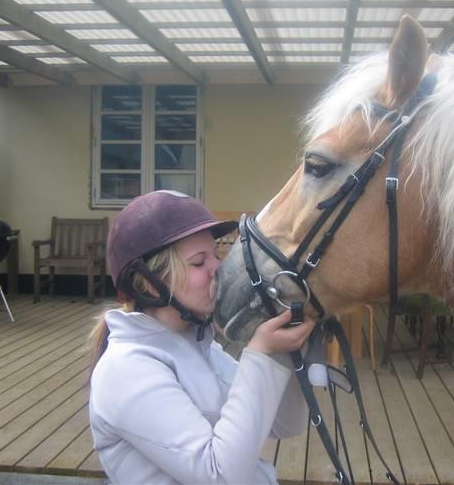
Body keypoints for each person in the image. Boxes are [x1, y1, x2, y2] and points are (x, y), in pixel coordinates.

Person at [89, 190, 315, 485]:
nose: (217, 268)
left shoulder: (201, 348)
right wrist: (259, 353)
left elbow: (286, 423)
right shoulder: (127, 369)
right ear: (149, 285)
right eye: (198, 263)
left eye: (216, 254)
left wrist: (282, 351)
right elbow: (219, 476)